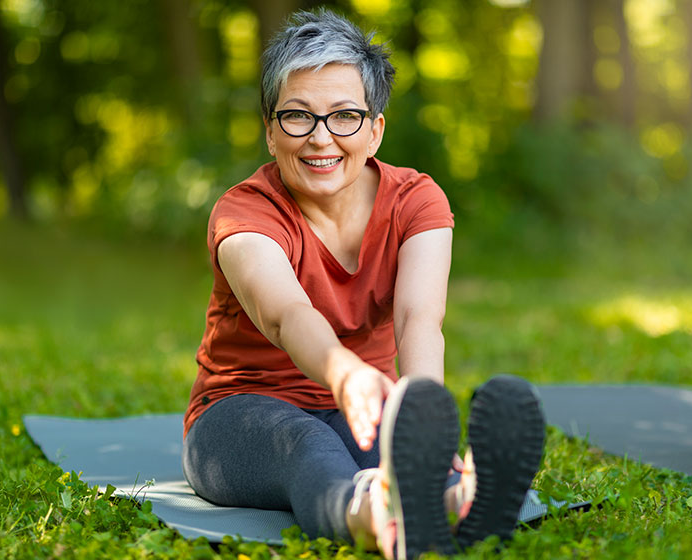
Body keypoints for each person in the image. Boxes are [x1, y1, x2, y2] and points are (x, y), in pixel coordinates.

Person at [182, 9, 545, 559]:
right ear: (270, 132)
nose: (321, 138)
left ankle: (463, 502)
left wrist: (427, 419)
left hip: (366, 407)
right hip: (238, 412)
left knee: (391, 457)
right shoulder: (244, 213)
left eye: (344, 116)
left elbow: (418, 319)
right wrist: (344, 372)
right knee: (307, 445)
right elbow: (286, 314)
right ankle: (374, 519)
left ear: (375, 130)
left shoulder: (417, 201)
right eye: (297, 117)